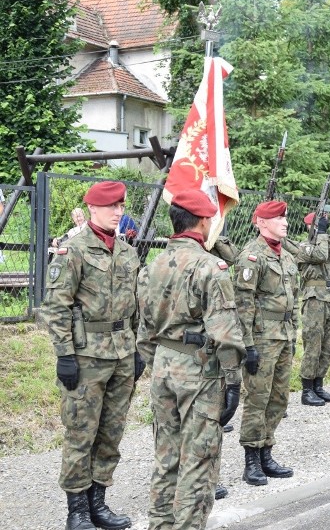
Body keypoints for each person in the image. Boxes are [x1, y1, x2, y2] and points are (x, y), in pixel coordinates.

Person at [137, 189, 245, 529]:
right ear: (202, 221)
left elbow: (143, 330)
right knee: (199, 460)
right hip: (201, 370)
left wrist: (159, 360)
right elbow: (224, 330)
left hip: (162, 365)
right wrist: (233, 380)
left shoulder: (150, 266)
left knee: (166, 456)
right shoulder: (210, 266)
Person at [41, 181, 140, 530]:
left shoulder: (127, 251)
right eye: (111, 206)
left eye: (121, 206)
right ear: (93, 208)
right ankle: (77, 512)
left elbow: (135, 305)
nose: (118, 212)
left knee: (111, 433)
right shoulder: (74, 250)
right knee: (81, 434)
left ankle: (99, 503)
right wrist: (64, 355)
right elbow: (56, 307)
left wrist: (138, 347)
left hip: (123, 354)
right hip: (85, 358)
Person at [233, 200, 297, 486]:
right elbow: (242, 304)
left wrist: (294, 329)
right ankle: (251, 460)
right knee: (257, 398)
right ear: (261, 222)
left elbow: (292, 299)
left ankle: (267, 451)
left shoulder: (286, 256)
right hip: (262, 336)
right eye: (278, 218)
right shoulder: (251, 256)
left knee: (279, 397)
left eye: (285, 217)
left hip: (284, 335)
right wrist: (248, 345)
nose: (284, 222)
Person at [297, 212, 330, 406]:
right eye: (317, 225)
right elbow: (321, 255)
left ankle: (318, 385)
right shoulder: (304, 247)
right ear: (310, 227)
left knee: (327, 346)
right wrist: (321, 234)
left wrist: (325, 234)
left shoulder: (327, 241)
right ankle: (307, 389)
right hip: (314, 298)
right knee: (313, 344)